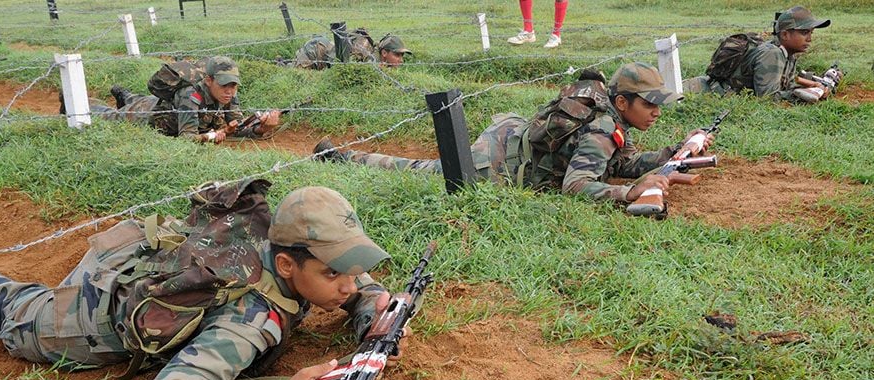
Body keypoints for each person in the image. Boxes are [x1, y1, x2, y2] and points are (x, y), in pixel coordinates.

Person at [0, 181, 401, 380]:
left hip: (148, 257)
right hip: (88, 319)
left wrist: (369, 306)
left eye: (350, 269)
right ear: (288, 265)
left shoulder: (282, 236)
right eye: (335, 274)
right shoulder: (247, 324)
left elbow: (354, 284)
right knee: (12, 311)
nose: (349, 283)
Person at [314, 62, 713, 216]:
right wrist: (627, 194)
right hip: (501, 162)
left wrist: (670, 154)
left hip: (516, 138)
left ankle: (344, 156)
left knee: (427, 167)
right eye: (650, 104)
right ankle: (343, 158)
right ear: (623, 101)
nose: (657, 111)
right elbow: (576, 185)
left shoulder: (609, 121)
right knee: (426, 170)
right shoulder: (604, 128)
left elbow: (615, 163)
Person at [87, 56, 281, 143]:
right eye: (224, 85)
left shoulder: (229, 93)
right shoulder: (191, 96)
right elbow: (186, 138)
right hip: (147, 116)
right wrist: (213, 135)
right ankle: (79, 103)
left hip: (162, 105)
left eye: (234, 85)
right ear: (208, 80)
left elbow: (236, 127)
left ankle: (124, 94)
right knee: (109, 116)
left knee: (135, 99)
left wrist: (262, 127)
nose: (230, 91)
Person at [683, 6, 834, 102]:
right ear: (785, 34)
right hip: (694, 93)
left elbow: (785, 81)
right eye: (804, 32)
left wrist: (813, 84)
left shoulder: (787, 53)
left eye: (811, 33)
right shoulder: (772, 54)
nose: (809, 38)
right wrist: (801, 95)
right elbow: (767, 98)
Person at [283, 32, 411, 70]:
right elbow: (349, 70)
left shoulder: (380, 62)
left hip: (326, 59)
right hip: (316, 51)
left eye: (402, 55)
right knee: (292, 74)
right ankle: (279, 64)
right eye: (397, 55)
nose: (401, 60)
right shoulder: (369, 57)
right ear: (384, 53)